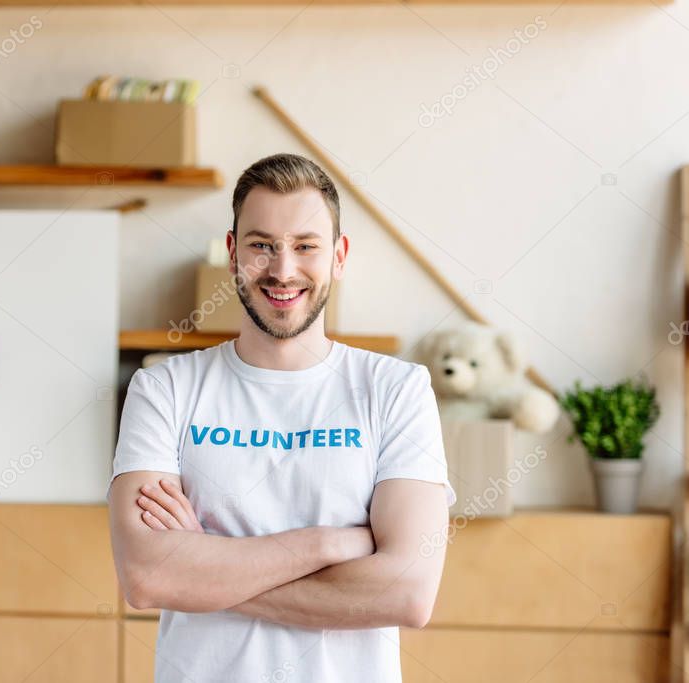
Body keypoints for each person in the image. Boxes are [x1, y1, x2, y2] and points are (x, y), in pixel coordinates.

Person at [107, 152, 457, 683]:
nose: (283, 269)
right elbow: (148, 578)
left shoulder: (395, 390)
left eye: (305, 246)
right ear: (232, 254)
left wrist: (206, 571)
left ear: (338, 256)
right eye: (261, 245)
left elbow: (408, 594)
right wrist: (328, 544)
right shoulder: (164, 388)